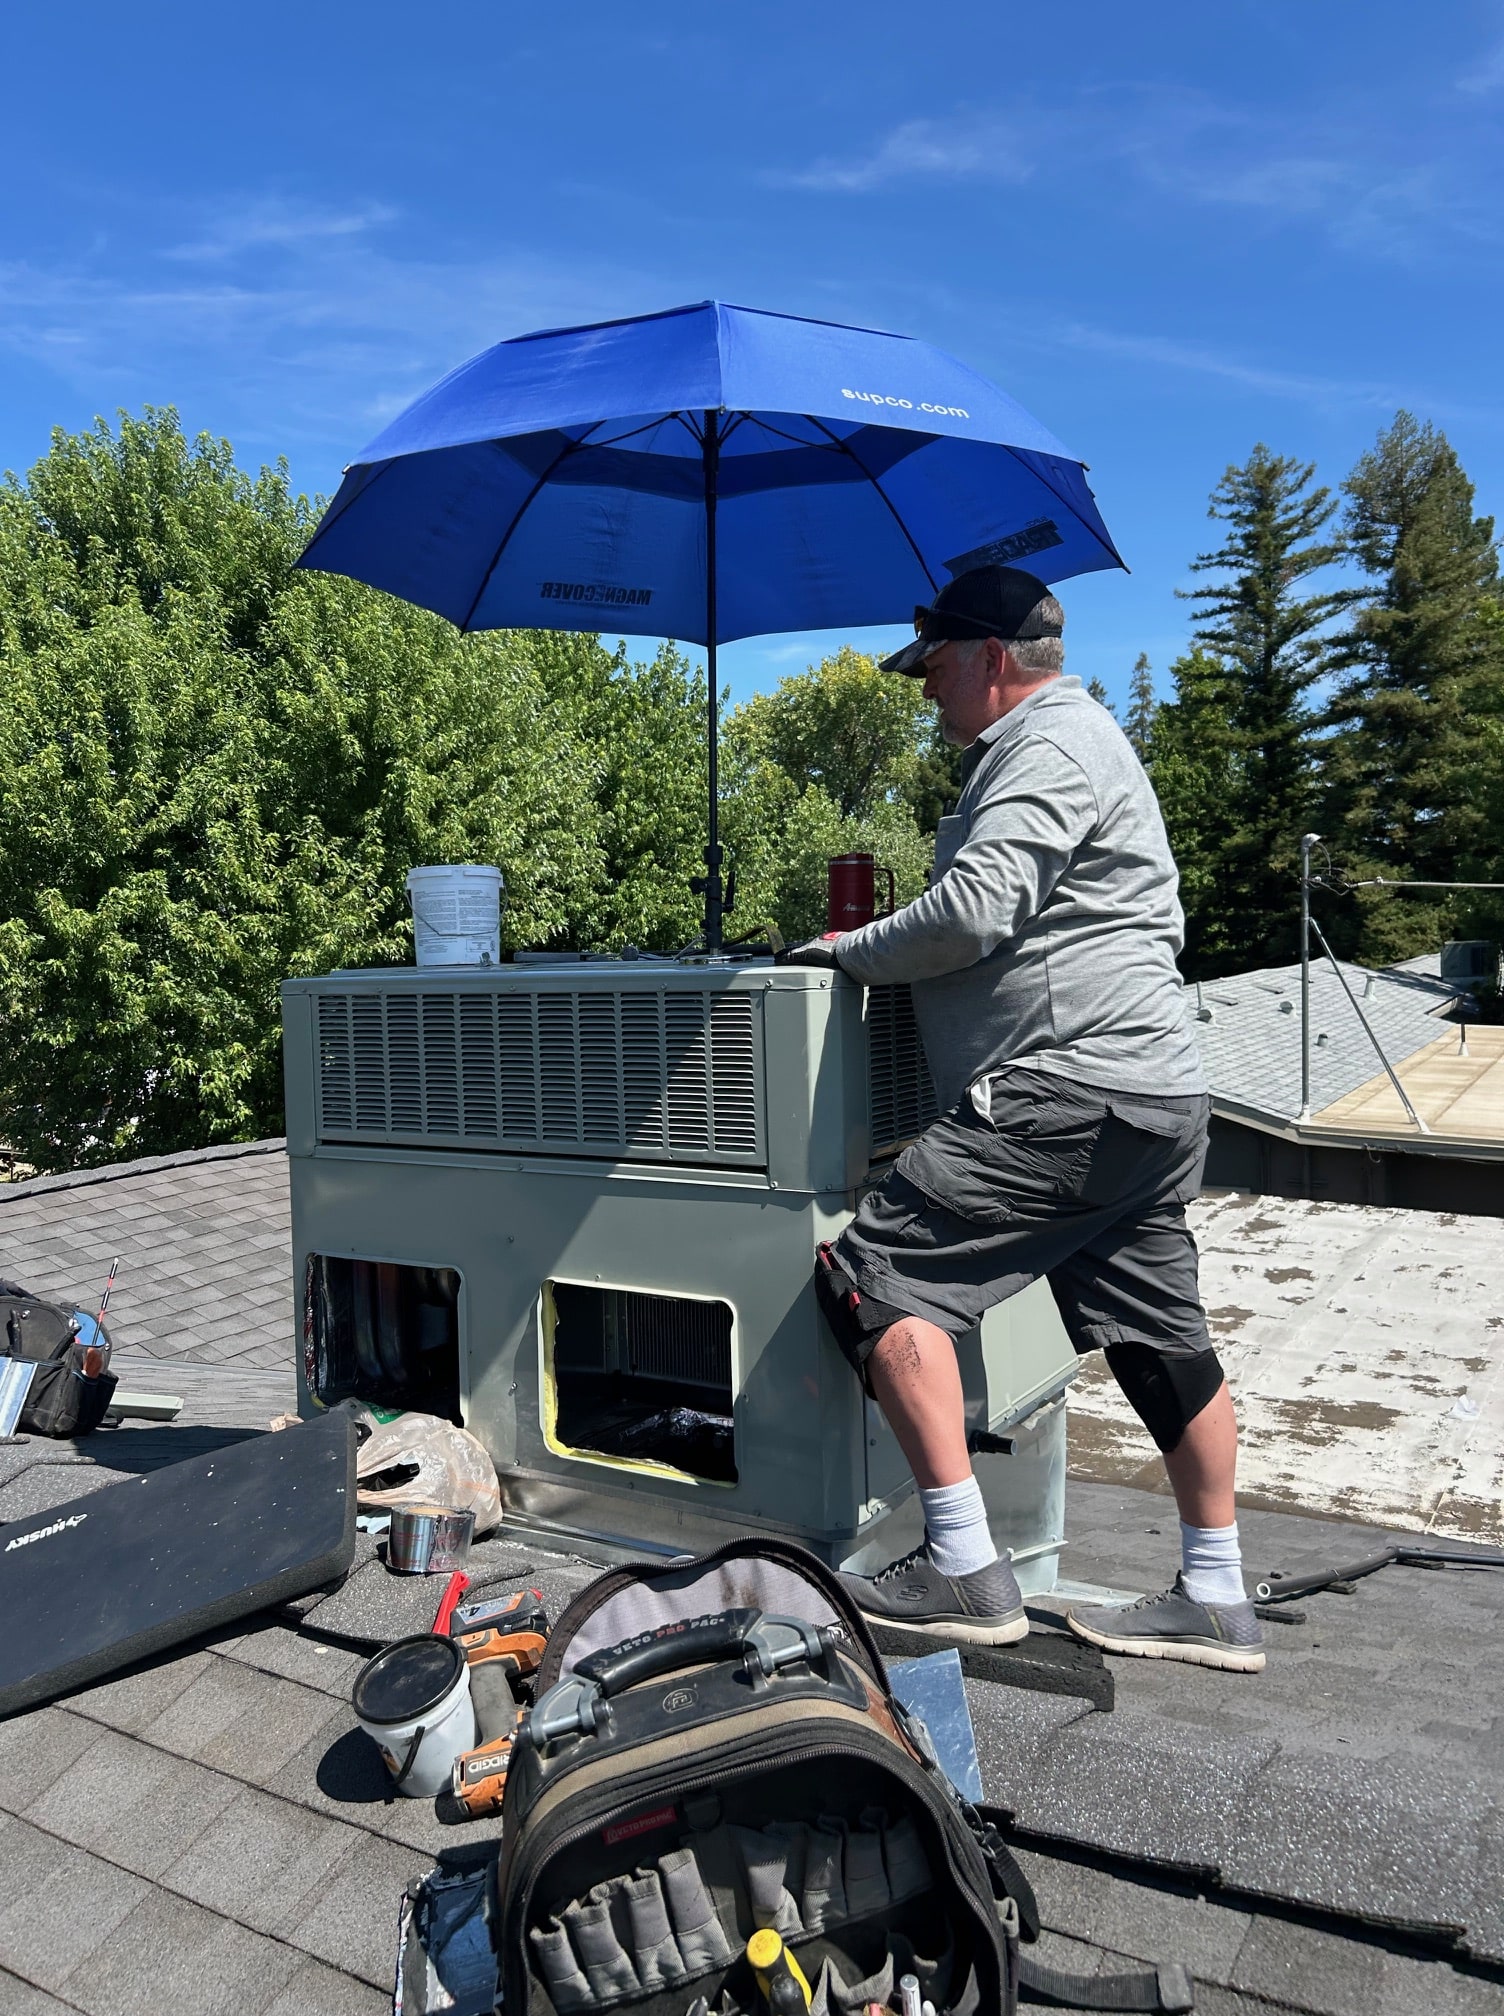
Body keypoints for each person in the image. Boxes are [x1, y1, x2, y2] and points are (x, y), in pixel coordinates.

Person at [782, 564, 1263, 1674]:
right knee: (1159, 1332)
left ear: (990, 660)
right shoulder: (1080, 744)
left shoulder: (1045, 743)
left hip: (1063, 1091)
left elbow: (975, 908)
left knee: (871, 1274)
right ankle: (1215, 1591)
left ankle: (961, 1564)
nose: (925, 695)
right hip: (1149, 1098)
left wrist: (846, 951)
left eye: (935, 669)